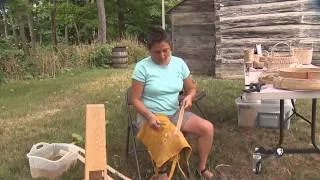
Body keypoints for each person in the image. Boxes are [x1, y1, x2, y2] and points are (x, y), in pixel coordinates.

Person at [131, 26, 215, 179]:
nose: (162, 55)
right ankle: (162, 172)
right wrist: (149, 116)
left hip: (175, 113)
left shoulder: (179, 64)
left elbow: (191, 89)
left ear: (171, 46)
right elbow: (135, 99)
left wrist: (189, 97)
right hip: (150, 115)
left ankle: (202, 169)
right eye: (157, 52)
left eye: (166, 50)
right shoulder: (142, 67)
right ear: (149, 50)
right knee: (166, 134)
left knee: (207, 128)